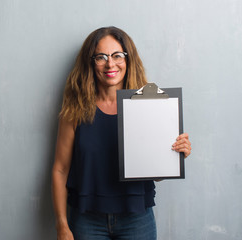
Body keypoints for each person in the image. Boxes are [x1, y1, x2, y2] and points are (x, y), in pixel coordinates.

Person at [51, 26, 192, 240]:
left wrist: (175, 154)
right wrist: (62, 225)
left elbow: (157, 173)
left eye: (117, 55)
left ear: (128, 59)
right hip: (86, 220)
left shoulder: (148, 106)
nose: (110, 64)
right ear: (91, 62)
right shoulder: (75, 110)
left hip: (136, 219)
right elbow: (60, 170)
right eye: (101, 57)